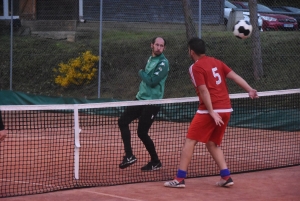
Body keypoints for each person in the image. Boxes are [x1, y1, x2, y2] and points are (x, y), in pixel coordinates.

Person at [164, 37, 258, 188]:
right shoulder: (216, 62)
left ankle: (179, 179)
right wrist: (250, 89)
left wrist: (212, 112)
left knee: (190, 141)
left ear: (191, 52)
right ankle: (226, 176)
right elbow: (234, 76)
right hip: (226, 109)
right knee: (212, 143)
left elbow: (203, 90)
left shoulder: (195, 67)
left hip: (210, 110)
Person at [118, 37, 169, 171]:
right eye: (157, 44)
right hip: (140, 99)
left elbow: (152, 81)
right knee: (122, 121)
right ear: (151, 45)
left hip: (152, 103)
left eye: (161, 46)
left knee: (142, 132)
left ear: (164, 48)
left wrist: (141, 72)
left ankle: (155, 161)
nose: (159, 47)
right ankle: (129, 155)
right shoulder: (149, 59)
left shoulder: (164, 63)